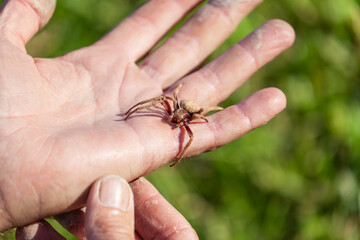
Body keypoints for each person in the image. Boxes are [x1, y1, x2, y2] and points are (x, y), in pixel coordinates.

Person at [0, 0, 295, 239]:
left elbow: (191, 131)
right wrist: (132, 111)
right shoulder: (171, 107)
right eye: (178, 115)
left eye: (181, 117)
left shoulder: (189, 120)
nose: (175, 119)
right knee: (158, 102)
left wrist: (182, 146)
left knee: (187, 119)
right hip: (179, 102)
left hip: (194, 106)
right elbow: (162, 100)